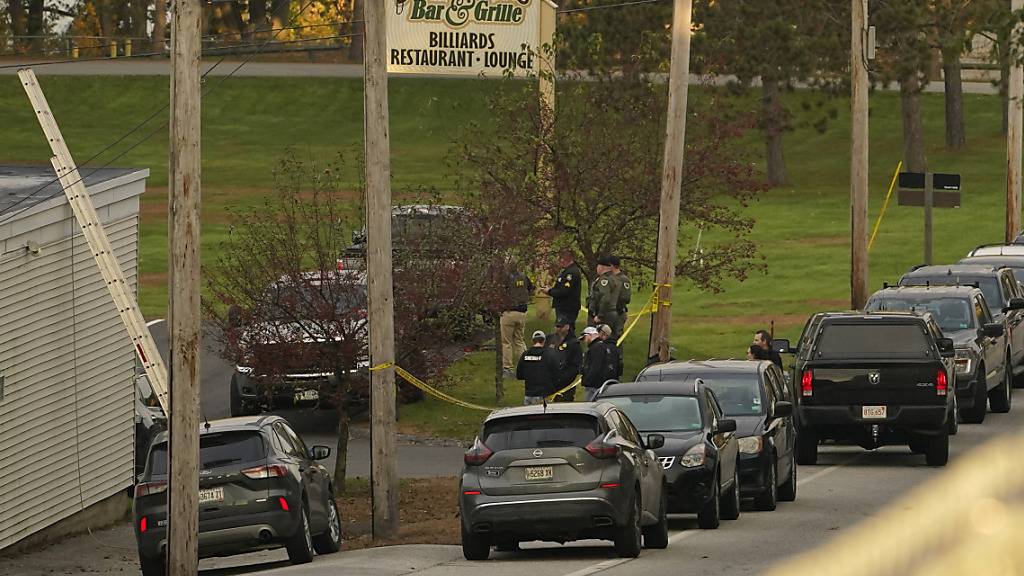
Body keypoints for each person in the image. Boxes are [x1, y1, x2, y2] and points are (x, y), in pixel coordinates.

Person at [501, 268, 534, 379]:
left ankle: (507, 368)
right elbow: (531, 288)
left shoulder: (505, 278)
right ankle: (526, 366)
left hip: (509, 311)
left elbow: (500, 292)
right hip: (522, 312)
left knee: (506, 342)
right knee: (519, 340)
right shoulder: (524, 276)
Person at [545, 252, 584, 334]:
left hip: (567, 307)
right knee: (562, 330)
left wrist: (549, 291)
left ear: (564, 260)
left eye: (560, 259)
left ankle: (570, 346)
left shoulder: (571, 273)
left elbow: (564, 291)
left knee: (563, 330)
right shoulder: (566, 271)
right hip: (563, 306)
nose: (559, 261)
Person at [517, 331, 560, 405]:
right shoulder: (548, 355)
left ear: (532, 341)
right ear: (544, 341)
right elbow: (556, 373)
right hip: (544, 395)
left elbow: (519, 375)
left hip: (529, 394)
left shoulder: (525, 355)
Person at [547, 317, 583, 402]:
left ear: (567, 327)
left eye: (561, 327)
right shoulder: (549, 339)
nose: (558, 329)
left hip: (566, 385)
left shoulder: (574, 343)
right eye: (557, 326)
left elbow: (576, 366)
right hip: (549, 383)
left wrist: (563, 378)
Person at [581, 326, 615, 402]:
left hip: (594, 386)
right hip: (598, 385)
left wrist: (587, 381)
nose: (584, 341)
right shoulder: (600, 346)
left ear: (589, 335)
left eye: (584, 337)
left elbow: (595, 367)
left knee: (588, 408)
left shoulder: (597, 348)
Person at [588, 255, 621, 332]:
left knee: (600, 339)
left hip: (605, 315)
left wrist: (600, 316)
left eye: (598, 266)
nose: (597, 268)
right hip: (612, 313)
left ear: (602, 267)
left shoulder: (604, 280)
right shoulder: (614, 278)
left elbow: (605, 298)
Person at [609, 255, 631, 342]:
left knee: (616, 339)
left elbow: (625, 298)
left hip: (618, 313)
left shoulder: (623, 279)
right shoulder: (608, 278)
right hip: (609, 314)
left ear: (611, 265)